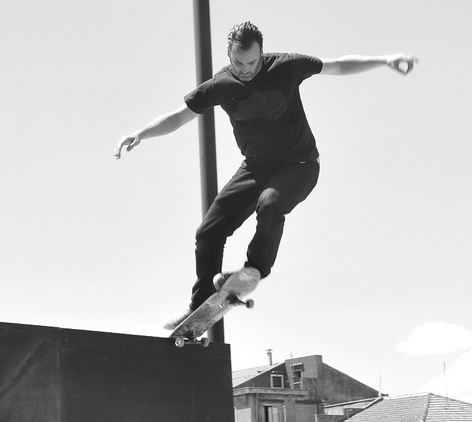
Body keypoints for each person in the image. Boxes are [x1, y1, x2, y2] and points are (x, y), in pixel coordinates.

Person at [115, 21, 417, 328]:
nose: (245, 70)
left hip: (299, 166)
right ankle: (198, 307)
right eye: (238, 63)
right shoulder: (220, 85)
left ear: (262, 53)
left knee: (270, 204)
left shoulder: (286, 66)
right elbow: (180, 116)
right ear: (229, 56)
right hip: (256, 168)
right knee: (208, 232)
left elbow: (337, 66)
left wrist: (385, 60)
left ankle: (253, 271)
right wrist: (142, 133)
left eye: (252, 62)